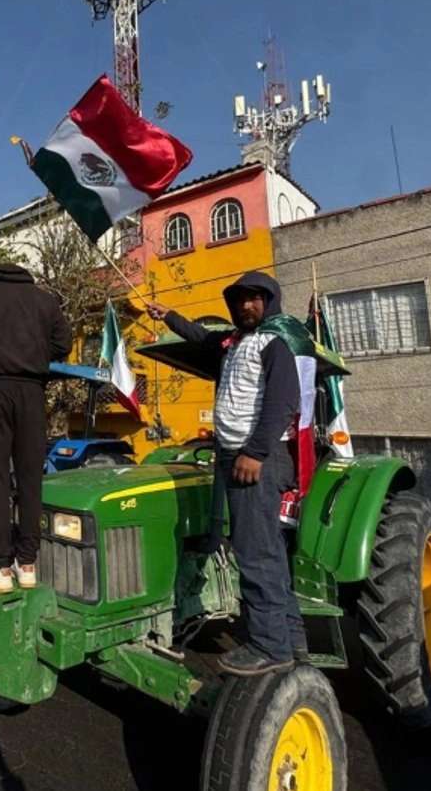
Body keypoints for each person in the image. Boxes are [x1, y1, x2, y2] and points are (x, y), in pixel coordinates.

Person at [146, 270, 303, 676]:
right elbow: (199, 336)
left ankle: (270, 646)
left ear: (269, 302)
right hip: (235, 455)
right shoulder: (233, 343)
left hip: (257, 461)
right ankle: (290, 635)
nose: (245, 306)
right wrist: (168, 316)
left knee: (256, 551)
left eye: (254, 299)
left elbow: (283, 404)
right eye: (239, 300)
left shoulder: (275, 342)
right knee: (263, 547)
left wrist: (254, 452)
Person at [0, 263, 71, 593]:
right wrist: (34, 353)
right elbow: (63, 343)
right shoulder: (45, 300)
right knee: (30, 478)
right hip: (32, 390)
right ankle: (27, 565)